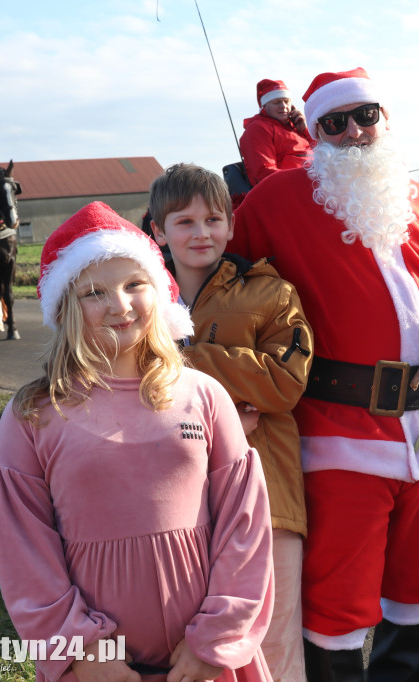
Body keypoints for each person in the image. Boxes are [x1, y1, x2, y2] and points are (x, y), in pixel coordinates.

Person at [228, 67, 419, 681]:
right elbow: (227, 295)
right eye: (335, 123)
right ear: (315, 132)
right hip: (338, 433)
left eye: (367, 116)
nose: (355, 131)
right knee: (338, 598)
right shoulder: (274, 201)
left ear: (387, 121)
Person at [0, 201, 274, 682]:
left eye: (134, 285)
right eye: (94, 293)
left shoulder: (202, 394)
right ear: (64, 308)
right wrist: (81, 650)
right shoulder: (33, 415)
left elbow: (245, 527)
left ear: (159, 292)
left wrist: (215, 639)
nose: (120, 306)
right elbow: (23, 549)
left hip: (205, 662)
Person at [148, 163, 314, 681]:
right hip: (168, 507)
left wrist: (183, 356)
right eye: (184, 221)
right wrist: (229, 404)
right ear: (157, 229)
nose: (202, 233)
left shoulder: (271, 293)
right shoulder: (140, 302)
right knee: (190, 648)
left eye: (213, 219)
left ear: (231, 225)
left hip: (268, 497)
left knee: (273, 641)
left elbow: (284, 383)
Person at [240, 78, 313, 187]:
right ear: (264, 106)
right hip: (292, 188)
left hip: (316, 182)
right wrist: (302, 181)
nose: (283, 106)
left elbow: (324, 151)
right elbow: (265, 172)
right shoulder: (257, 129)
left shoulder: (296, 127)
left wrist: (306, 131)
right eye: (277, 102)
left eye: (286, 101)